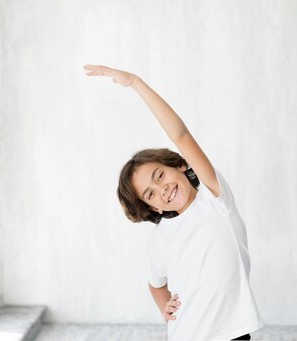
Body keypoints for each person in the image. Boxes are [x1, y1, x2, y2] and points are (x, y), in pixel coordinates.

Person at [84, 64, 262, 341]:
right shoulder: (160, 239)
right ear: (153, 208)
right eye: (150, 194)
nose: (162, 189)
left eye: (160, 175)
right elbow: (156, 284)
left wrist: (135, 82)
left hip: (231, 335)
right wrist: (163, 306)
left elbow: (181, 135)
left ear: (179, 165)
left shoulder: (214, 199)